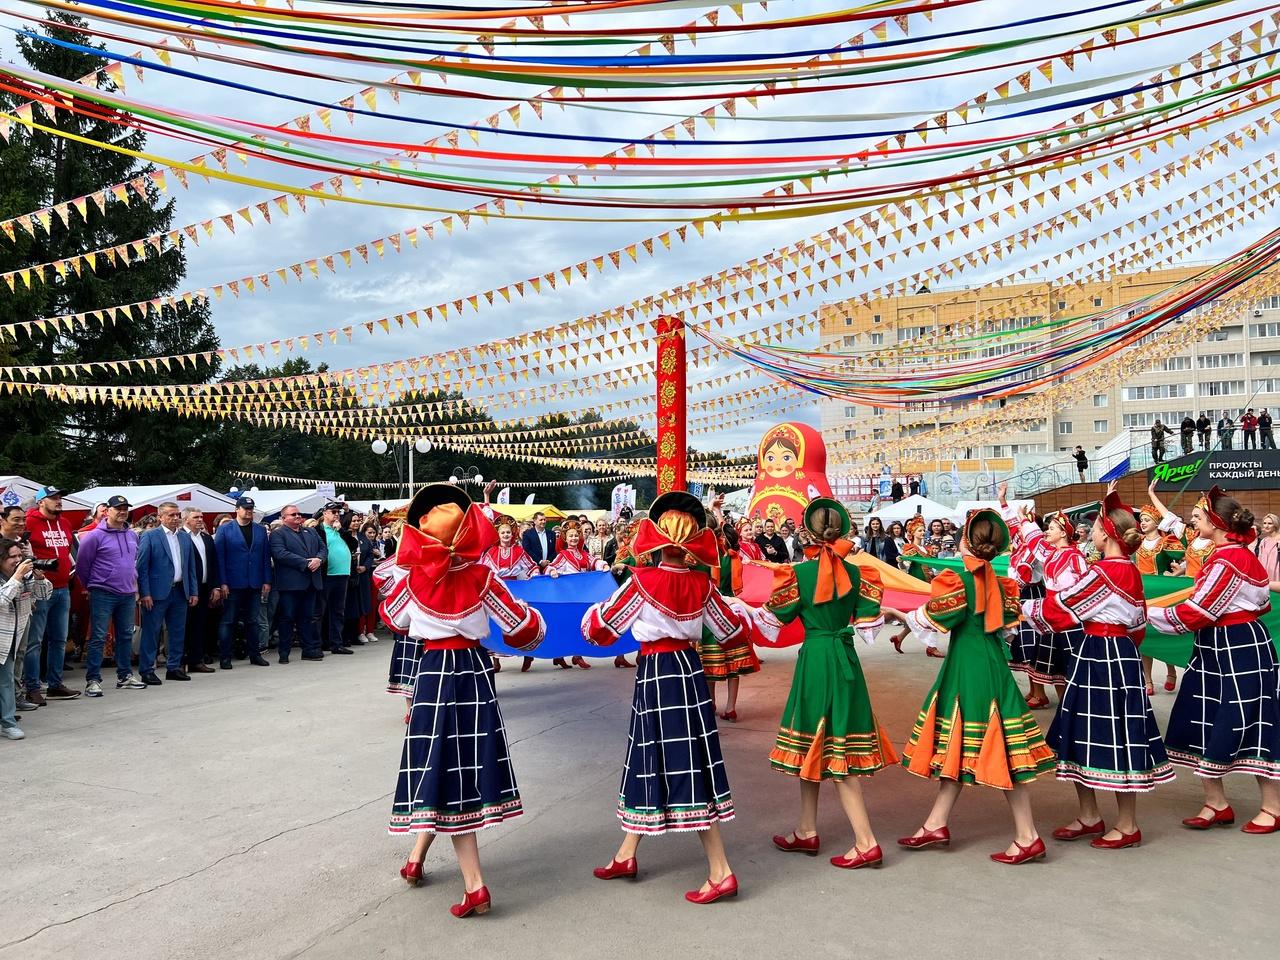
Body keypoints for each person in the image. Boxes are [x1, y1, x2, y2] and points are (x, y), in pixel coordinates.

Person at [380, 484, 546, 917]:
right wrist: (540, 623)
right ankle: (416, 859)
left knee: (442, 766)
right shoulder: (484, 575)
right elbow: (521, 628)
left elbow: (393, 619)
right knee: (457, 766)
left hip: (433, 675)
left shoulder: (411, 578)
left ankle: (475, 885)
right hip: (473, 672)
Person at [583, 491, 752, 903]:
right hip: (691, 673)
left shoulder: (641, 582)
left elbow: (601, 630)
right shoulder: (702, 584)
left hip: (657, 673)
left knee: (675, 762)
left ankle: (720, 869)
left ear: (656, 536)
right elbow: (731, 631)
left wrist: (589, 613)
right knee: (663, 756)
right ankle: (627, 853)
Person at [887, 509, 1054, 864]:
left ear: (965, 541)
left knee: (988, 744)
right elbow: (1008, 629)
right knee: (972, 744)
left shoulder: (958, 581)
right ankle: (937, 823)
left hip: (967, 665)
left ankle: (1027, 836)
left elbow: (933, 622)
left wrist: (896, 613)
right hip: (991, 661)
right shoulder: (1002, 584)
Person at [1022, 482, 1173, 848]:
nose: (1092, 532)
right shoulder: (1125, 570)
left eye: (1097, 527)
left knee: (1106, 733)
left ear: (1109, 534)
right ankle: (1094, 816)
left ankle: (1125, 824)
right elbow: (1137, 624)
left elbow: (1062, 608)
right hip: (1114, 650)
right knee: (1094, 731)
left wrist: (1016, 607)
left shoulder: (1106, 571)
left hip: (1100, 652)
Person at [756, 499, 896, 869]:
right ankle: (806, 829)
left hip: (816, 659)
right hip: (844, 655)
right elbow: (869, 630)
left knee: (832, 748)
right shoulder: (860, 575)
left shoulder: (797, 575)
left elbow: (772, 621)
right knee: (816, 746)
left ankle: (866, 842)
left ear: (807, 533)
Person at [1147, 486, 1280, 833]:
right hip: (1223, 645)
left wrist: (1147, 613)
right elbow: (1262, 603)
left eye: (1198, 516)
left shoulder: (1229, 559)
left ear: (1217, 522)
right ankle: (1216, 803)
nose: (1192, 519)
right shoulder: (1234, 555)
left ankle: (1273, 807)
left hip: (1235, 646)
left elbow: (1198, 611)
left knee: (1250, 720)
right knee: (1204, 716)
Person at [1000, 484, 1087, 711]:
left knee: (1067, 664)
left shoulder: (1075, 557)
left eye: (1052, 528)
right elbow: (1035, 540)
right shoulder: (1051, 552)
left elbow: (1079, 589)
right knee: (1055, 665)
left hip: (1067, 616)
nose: (1047, 531)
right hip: (1050, 614)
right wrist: (1021, 518)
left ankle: (1070, 705)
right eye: (1047, 528)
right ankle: (1066, 706)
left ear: (1063, 533)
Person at [18, 487, 79, 706]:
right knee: (35, 641)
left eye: (60, 497)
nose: (58, 501)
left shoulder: (65, 523)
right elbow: (21, 550)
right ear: (41, 502)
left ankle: (55, 684)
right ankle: (32, 687)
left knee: (59, 639)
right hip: (39, 589)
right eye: (53, 498)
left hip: (62, 587)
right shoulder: (29, 521)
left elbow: (70, 550)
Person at [77, 496, 141, 696]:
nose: (122, 511)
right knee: (98, 637)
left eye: (125, 508)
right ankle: (93, 680)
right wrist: (93, 585)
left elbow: (133, 562)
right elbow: (82, 566)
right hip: (103, 592)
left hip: (127, 592)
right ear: (107, 511)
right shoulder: (94, 536)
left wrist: (135, 585)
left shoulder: (132, 535)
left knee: (124, 636)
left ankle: (125, 676)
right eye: (118, 508)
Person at [700, 520, 759, 722]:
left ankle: (711, 701)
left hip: (712, 611)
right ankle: (731, 706)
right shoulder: (733, 557)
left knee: (710, 662)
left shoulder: (706, 558)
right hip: (732, 610)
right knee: (733, 662)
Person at [135, 501, 199, 683]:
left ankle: (174, 667)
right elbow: (142, 567)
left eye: (177, 515)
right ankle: (146, 670)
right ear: (160, 517)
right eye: (171, 515)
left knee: (178, 631)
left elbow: (190, 567)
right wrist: (145, 592)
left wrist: (193, 591)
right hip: (156, 592)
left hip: (180, 590)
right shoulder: (150, 536)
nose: (175, 518)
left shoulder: (184, 537)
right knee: (152, 631)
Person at [214, 496, 272, 669]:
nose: (249, 511)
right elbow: (219, 558)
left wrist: (267, 580)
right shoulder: (225, 529)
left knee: (253, 621)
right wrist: (222, 582)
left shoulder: (260, 530)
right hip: (233, 583)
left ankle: (255, 654)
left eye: (251, 509)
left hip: (254, 582)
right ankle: (225, 657)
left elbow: (265, 557)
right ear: (237, 509)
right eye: (246, 508)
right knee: (228, 621)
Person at [479, 513, 541, 674]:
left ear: (512, 533)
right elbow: (481, 570)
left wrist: (534, 577)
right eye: (502, 533)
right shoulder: (491, 552)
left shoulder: (519, 551)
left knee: (518, 622)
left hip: (515, 590)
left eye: (508, 532)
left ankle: (527, 653)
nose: (506, 535)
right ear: (498, 535)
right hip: (496, 591)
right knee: (494, 623)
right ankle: (495, 660)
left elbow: (532, 566)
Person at [1133, 502, 1181, 696]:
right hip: (1142, 592)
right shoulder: (1138, 542)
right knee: (1146, 636)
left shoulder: (1165, 541)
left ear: (1157, 522)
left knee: (1164, 632)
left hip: (1162, 593)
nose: (1143, 523)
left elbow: (1183, 555)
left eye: (1147, 520)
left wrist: (1176, 574)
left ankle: (1171, 671)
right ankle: (1148, 679)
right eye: (1142, 520)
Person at [269, 504, 327, 663]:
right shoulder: (278, 534)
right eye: (293, 514)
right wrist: (305, 563)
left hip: (311, 583)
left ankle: (308, 650)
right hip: (291, 584)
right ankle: (284, 652)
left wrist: (319, 559)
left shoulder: (311, 531)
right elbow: (280, 554)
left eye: (299, 513)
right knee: (287, 618)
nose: (297, 516)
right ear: (284, 518)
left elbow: (323, 549)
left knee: (307, 618)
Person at [178, 507, 220, 673]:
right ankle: (180, 661)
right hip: (186, 588)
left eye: (201, 516)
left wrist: (215, 585)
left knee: (199, 625)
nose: (200, 519)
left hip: (204, 587)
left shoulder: (206, 537)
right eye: (196, 517)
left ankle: (196, 659)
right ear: (186, 519)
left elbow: (213, 563)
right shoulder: (180, 536)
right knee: (183, 626)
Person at [317, 503, 353, 655]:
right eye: (333, 511)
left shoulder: (340, 531)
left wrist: (342, 531)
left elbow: (353, 544)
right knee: (321, 611)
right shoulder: (319, 530)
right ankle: (320, 643)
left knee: (338, 611)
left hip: (342, 574)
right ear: (325, 513)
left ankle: (336, 643)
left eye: (339, 512)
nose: (337, 514)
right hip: (327, 575)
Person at [344, 521, 376, 648]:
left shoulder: (363, 538)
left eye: (358, 520)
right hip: (348, 574)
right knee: (349, 605)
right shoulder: (344, 535)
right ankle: (347, 635)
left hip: (361, 575)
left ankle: (357, 634)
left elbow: (370, 555)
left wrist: (365, 567)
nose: (356, 523)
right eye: (353, 520)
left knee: (360, 604)